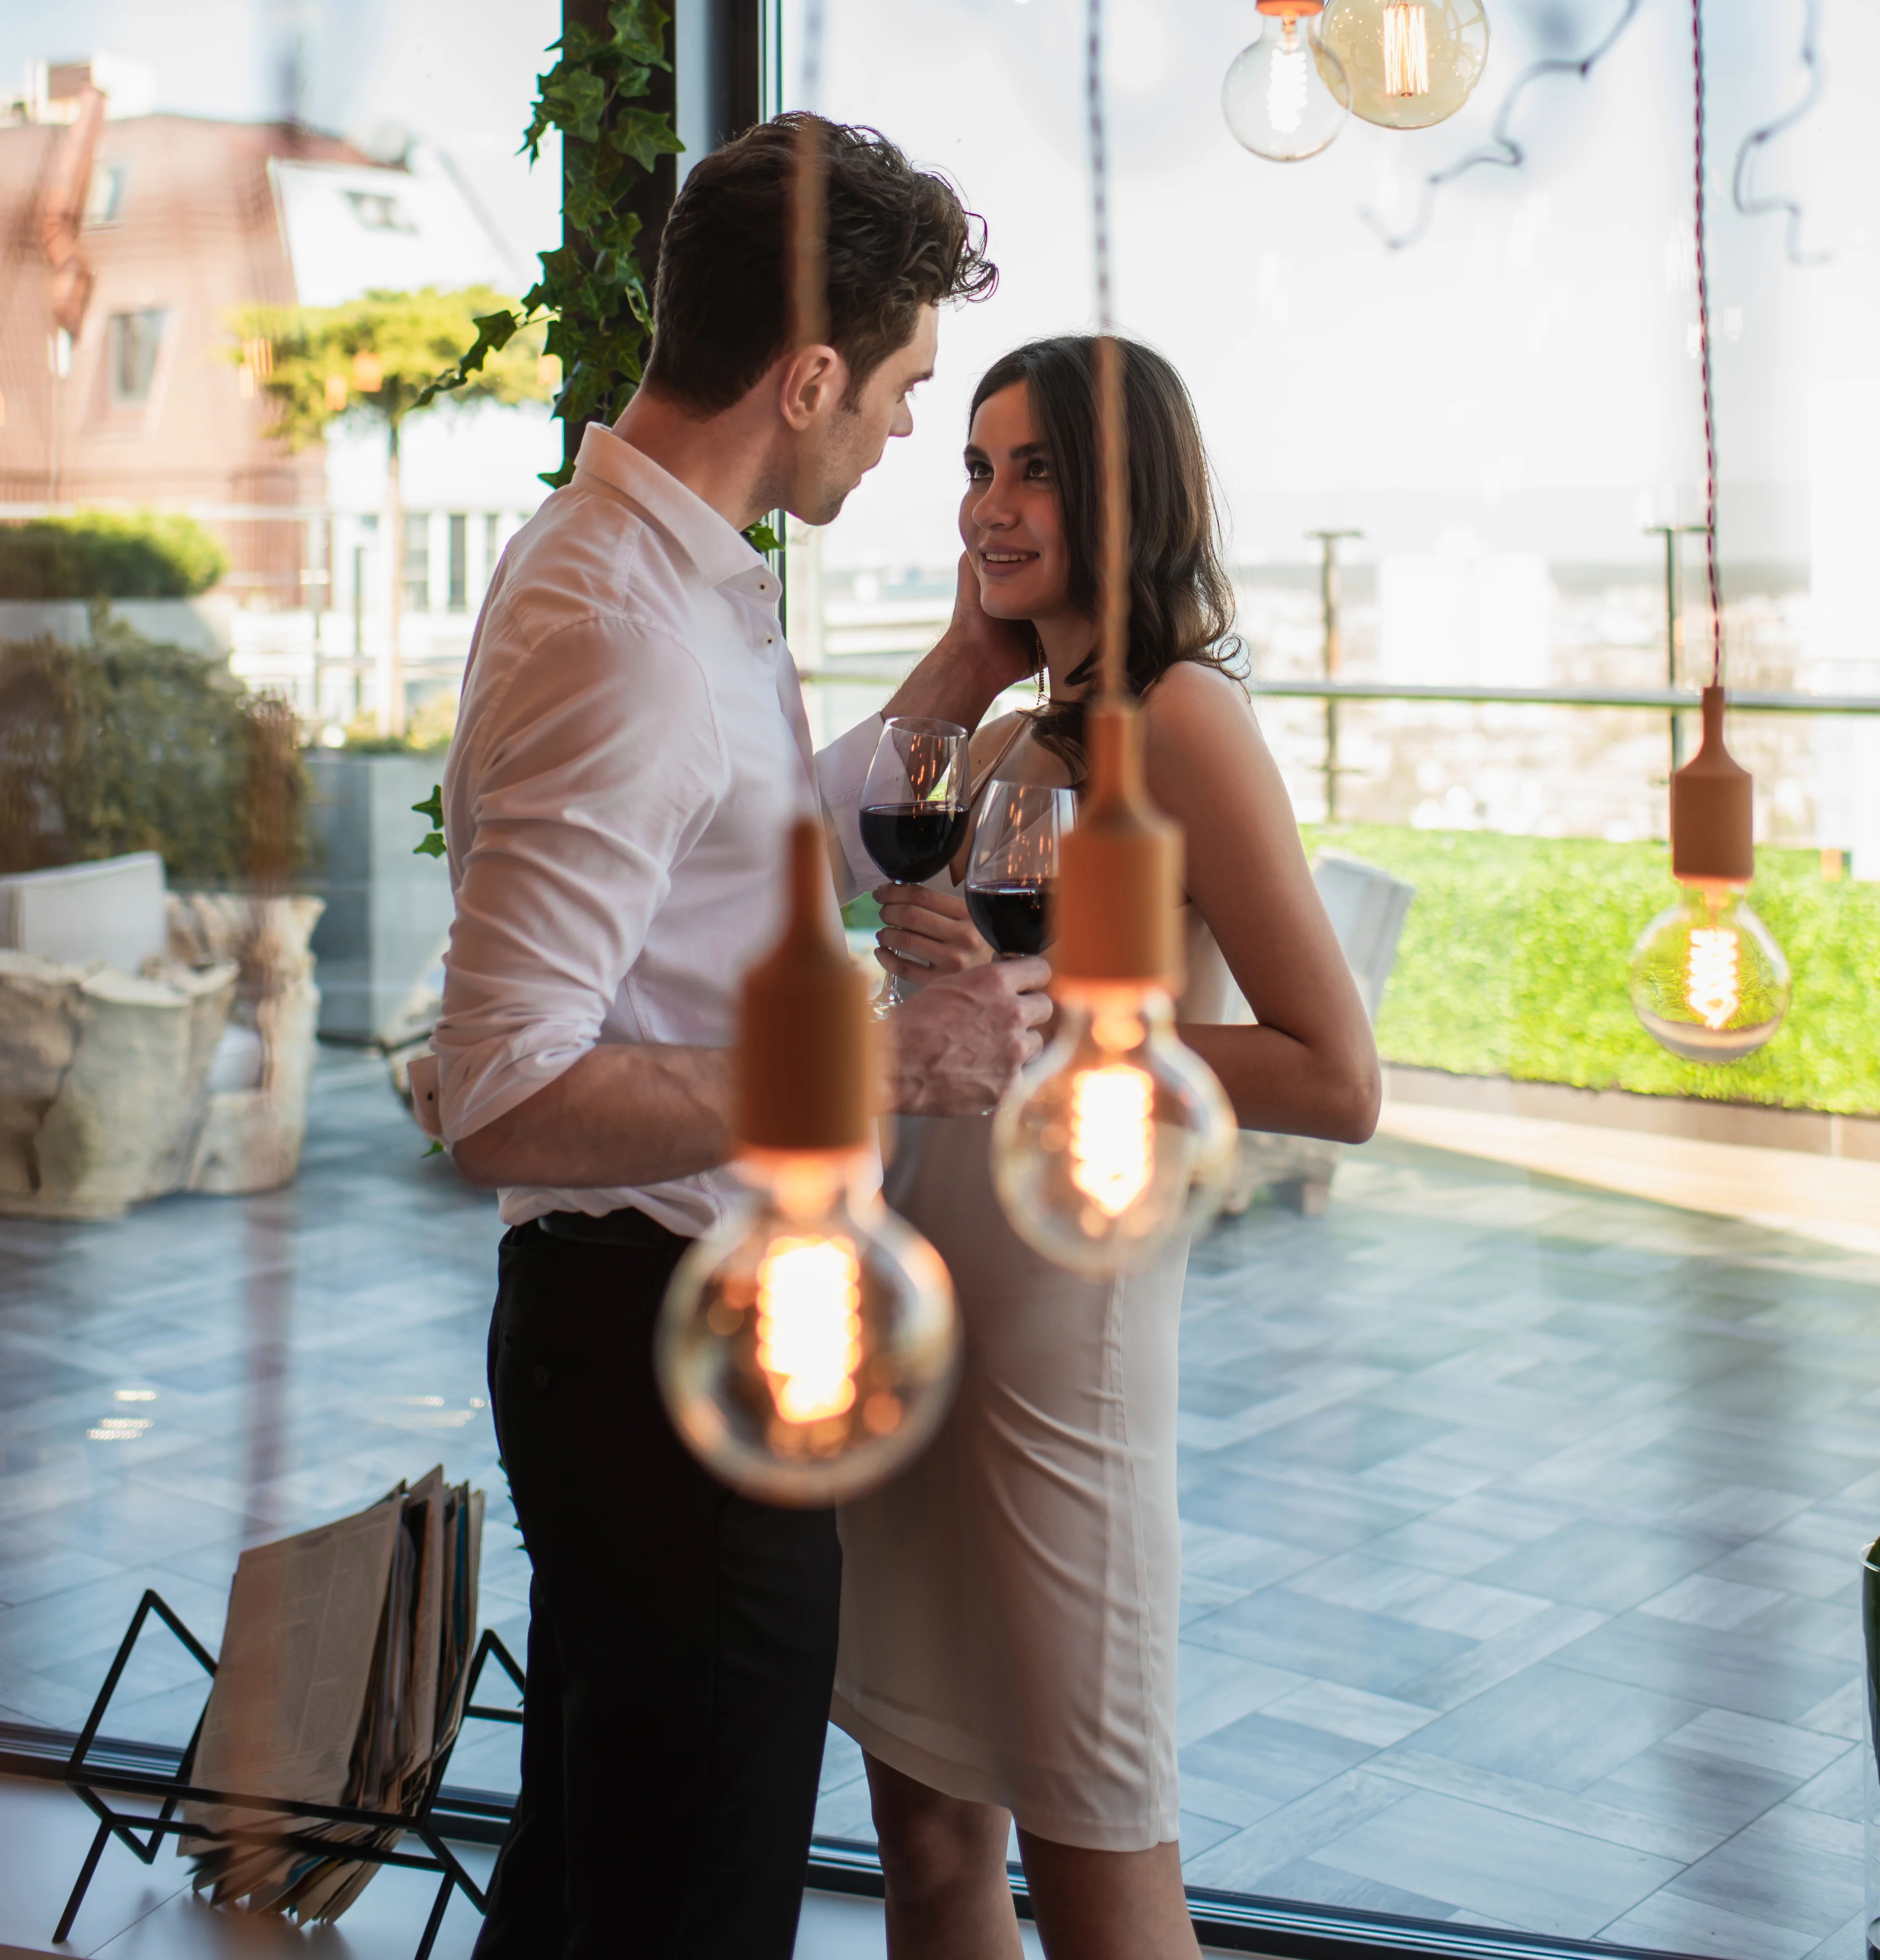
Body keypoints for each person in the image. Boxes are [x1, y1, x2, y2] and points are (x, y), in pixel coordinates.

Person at [416, 117, 1049, 1960]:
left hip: (685, 1333)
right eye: (906, 388)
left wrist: (956, 682)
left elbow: (740, 858)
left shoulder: (669, 574)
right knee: (684, 1898)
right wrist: (894, 1062)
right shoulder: (614, 622)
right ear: (812, 374)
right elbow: (505, 1093)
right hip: (646, 1351)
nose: (914, 435)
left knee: (617, 1869)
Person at [831, 335, 1383, 1960]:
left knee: (1097, 1852)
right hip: (919, 1316)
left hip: (1063, 1352)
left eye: (1037, 470)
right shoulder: (1008, 738)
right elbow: (890, 938)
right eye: (975, 469)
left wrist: (1072, 1017)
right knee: (926, 1841)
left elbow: (1335, 1077)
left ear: (1124, 493)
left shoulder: (1186, 719)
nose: (991, 505)